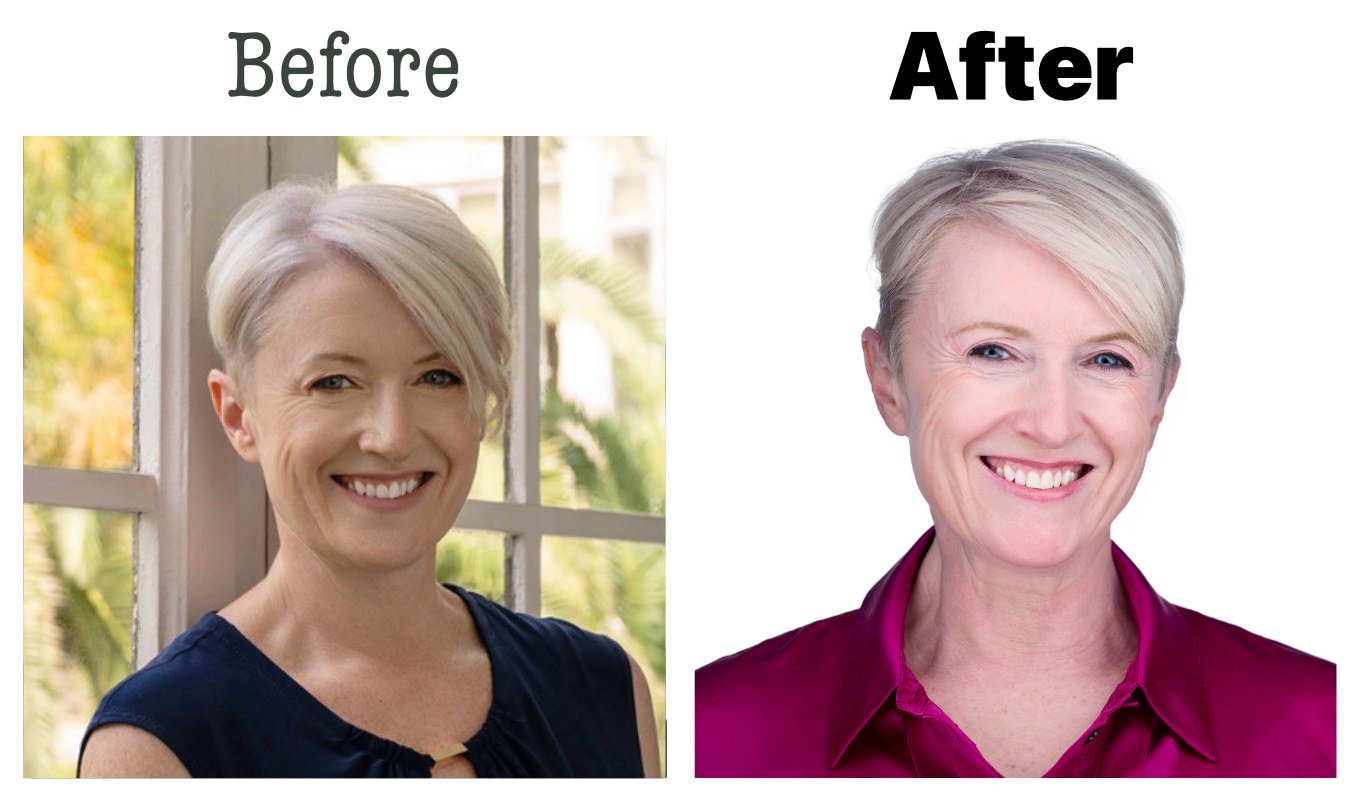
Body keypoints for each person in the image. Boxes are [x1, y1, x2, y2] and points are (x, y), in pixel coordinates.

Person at [695, 141, 1335, 778]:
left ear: (1160, 396)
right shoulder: (715, 736)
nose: (1052, 424)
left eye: (1107, 360)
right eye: (993, 352)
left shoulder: (1324, 730)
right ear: (886, 378)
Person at [79, 183, 661, 778]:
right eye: (333, 383)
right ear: (238, 416)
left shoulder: (604, 688)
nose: (392, 435)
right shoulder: (156, 745)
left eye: (438, 376)